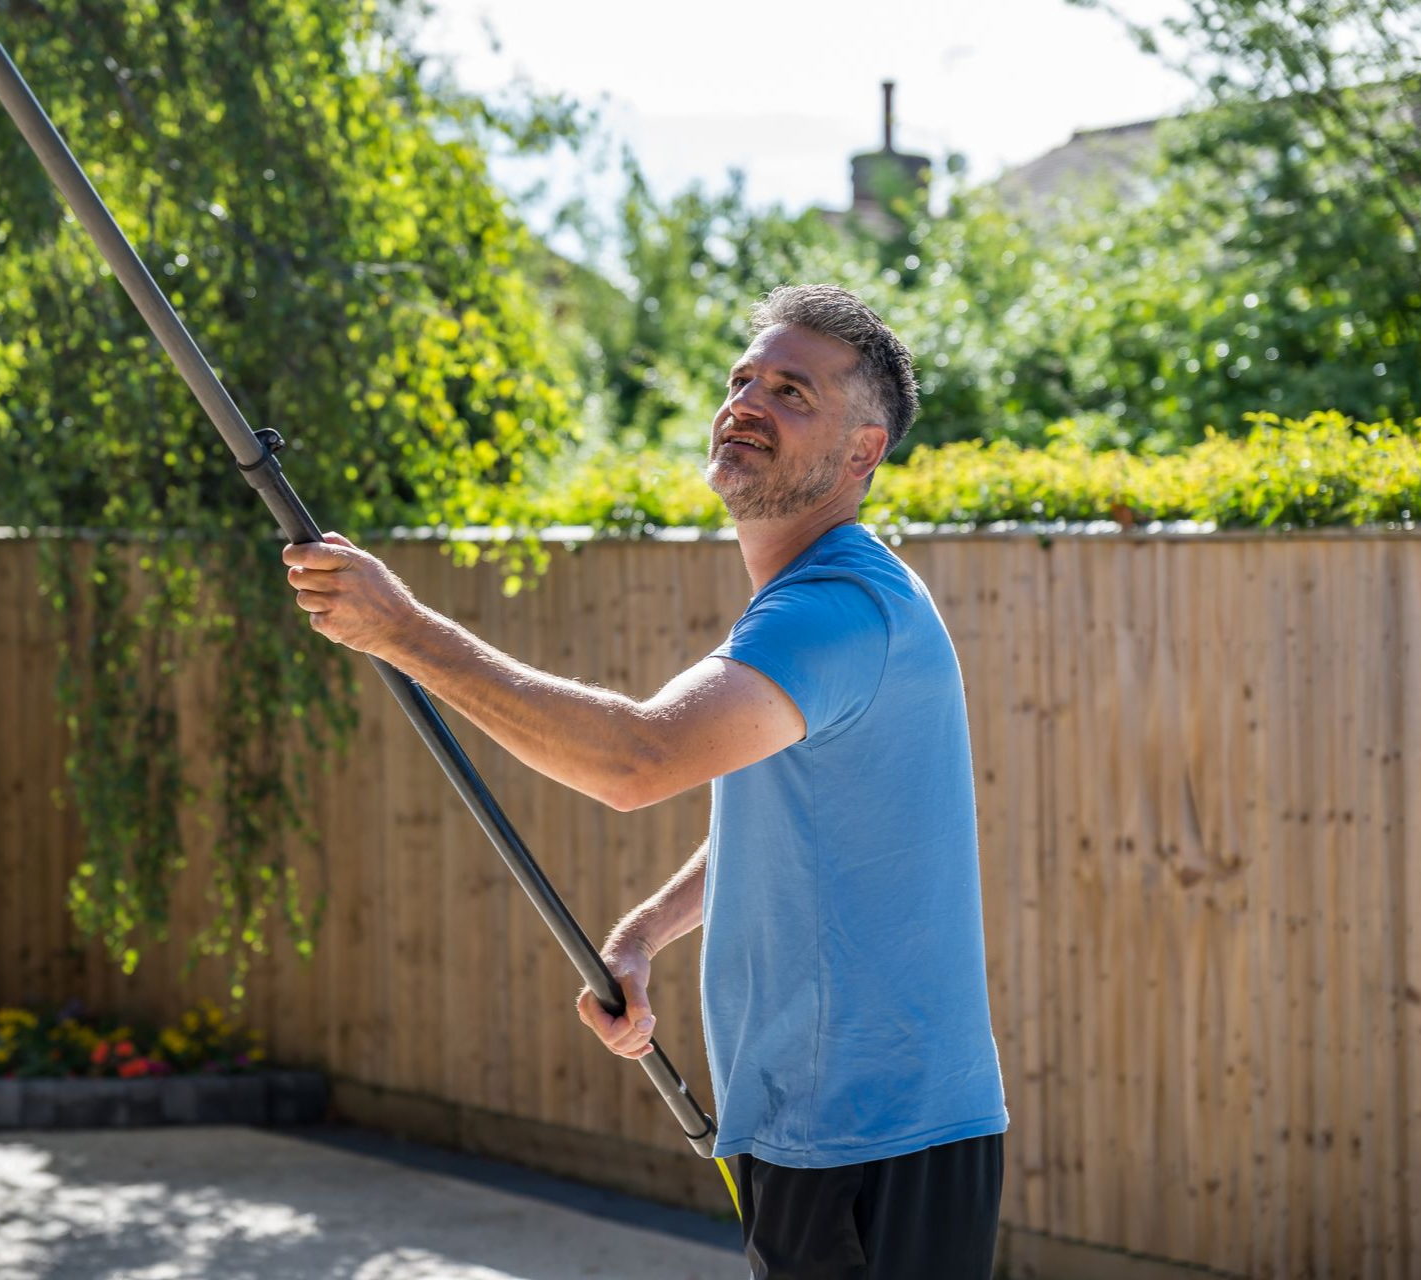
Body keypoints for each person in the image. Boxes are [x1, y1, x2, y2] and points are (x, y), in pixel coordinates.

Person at [283, 284, 1007, 1278]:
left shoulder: (834, 606)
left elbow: (637, 758)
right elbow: (798, 821)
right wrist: (642, 934)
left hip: (871, 1139)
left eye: (792, 391)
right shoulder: (825, 595)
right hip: (831, 1126)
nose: (746, 401)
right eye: (742, 377)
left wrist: (405, 631)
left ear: (863, 452)